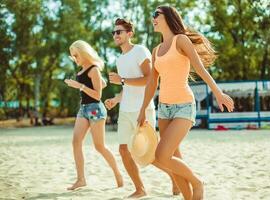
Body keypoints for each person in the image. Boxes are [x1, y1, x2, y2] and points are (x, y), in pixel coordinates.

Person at [137, 6, 234, 200]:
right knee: (173, 158)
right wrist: (142, 110)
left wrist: (218, 92)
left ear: (169, 17)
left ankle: (197, 182)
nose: (153, 18)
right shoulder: (156, 50)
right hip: (164, 109)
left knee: (162, 155)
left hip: (184, 106)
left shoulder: (181, 40)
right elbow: (151, 83)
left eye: (157, 14)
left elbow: (199, 68)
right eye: (152, 15)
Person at [104, 18, 182, 198]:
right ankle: (140, 189)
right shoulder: (120, 59)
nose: (115, 35)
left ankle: (175, 176)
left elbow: (150, 79)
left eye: (119, 32)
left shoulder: (140, 51)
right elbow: (127, 87)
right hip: (125, 111)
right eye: (114, 32)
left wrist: (122, 80)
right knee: (124, 150)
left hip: (143, 110)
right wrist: (116, 99)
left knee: (152, 154)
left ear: (129, 34)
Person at [64, 40, 123, 190]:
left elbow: (97, 96)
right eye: (73, 56)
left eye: (76, 55)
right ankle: (80, 179)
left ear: (83, 52)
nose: (75, 58)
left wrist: (80, 86)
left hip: (95, 108)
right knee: (76, 142)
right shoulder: (83, 70)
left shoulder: (94, 69)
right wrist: (94, 83)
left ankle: (117, 173)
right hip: (83, 109)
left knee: (99, 146)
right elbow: (101, 84)